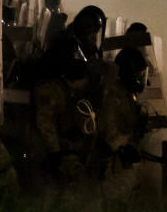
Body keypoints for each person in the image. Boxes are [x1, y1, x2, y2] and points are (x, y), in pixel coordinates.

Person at [34, 58, 96, 196]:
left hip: (58, 149)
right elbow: (45, 123)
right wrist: (55, 153)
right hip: (45, 149)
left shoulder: (65, 91)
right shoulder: (50, 90)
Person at [97, 47, 149, 201]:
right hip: (113, 161)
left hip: (122, 157)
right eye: (140, 74)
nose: (142, 79)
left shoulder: (126, 95)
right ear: (131, 72)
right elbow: (108, 126)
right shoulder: (114, 96)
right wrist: (121, 147)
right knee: (111, 194)